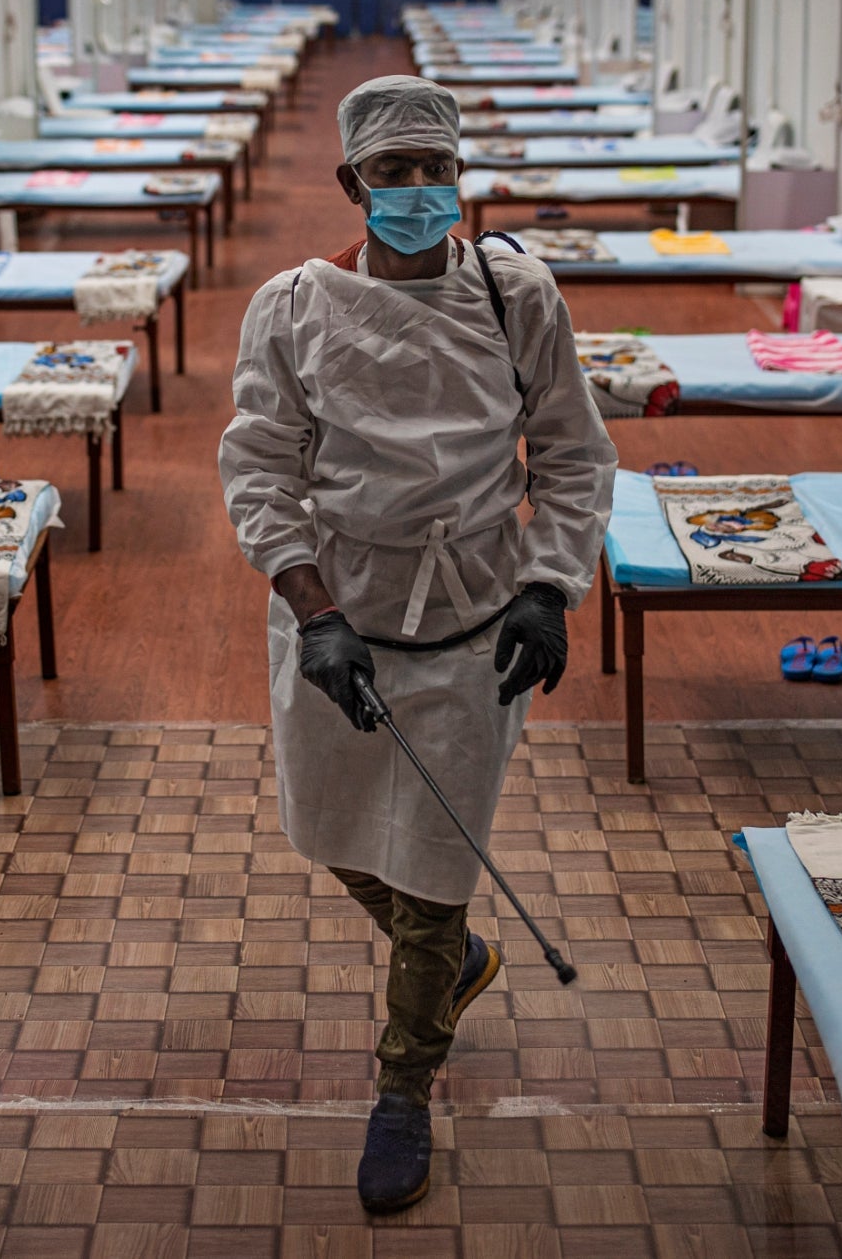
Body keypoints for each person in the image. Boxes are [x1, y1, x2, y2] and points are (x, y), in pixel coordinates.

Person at [218, 73, 616, 1212]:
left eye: (433, 169)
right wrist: (317, 610)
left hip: (479, 615)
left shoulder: (514, 293)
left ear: (459, 177)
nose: (416, 190)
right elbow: (258, 468)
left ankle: (404, 1083)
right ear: (351, 183)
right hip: (340, 610)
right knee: (333, 826)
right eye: (391, 172)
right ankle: (451, 964)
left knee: (437, 865)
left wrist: (549, 586)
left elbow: (575, 453)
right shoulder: (295, 307)